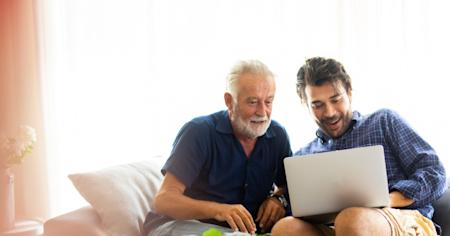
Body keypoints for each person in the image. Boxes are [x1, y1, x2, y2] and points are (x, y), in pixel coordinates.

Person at [271, 57, 447, 236]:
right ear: (305, 104)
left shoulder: (384, 121)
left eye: (336, 99)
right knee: (285, 229)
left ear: (349, 92)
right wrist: (279, 200)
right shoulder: (304, 156)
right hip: (335, 226)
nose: (329, 112)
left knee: (351, 219)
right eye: (318, 105)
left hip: (400, 218)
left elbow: (435, 173)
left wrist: (388, 199)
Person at [143, 59, 292, 236]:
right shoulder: (198, 132)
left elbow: (289, 187)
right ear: (229, 101)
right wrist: (218, 210)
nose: (262, 112)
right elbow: (164, 200)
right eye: (252, 102)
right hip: (182, 225)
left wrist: (279, 199)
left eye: (268, 102)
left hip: (240, 232)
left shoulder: (277, 135)